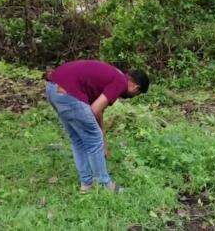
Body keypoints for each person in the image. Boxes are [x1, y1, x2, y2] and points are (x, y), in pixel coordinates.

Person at [45, 60, 150, 193]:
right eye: (137, 95)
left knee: (78, 140)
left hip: (53, 88)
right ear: (136, 87)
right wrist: (99, 142)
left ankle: (86, 185)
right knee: (93, 140)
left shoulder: (114, 75)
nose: (133, 97)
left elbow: (98, 111)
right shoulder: (121, 82)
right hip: (69, 93)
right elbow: (94, 110)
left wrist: (104, 142)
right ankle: (104, 185)